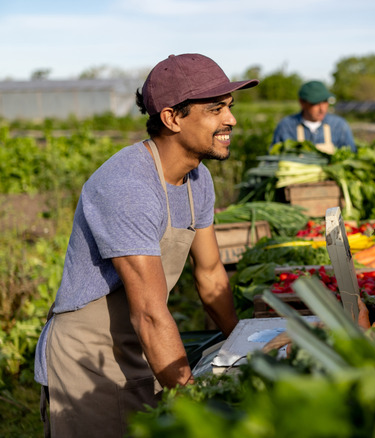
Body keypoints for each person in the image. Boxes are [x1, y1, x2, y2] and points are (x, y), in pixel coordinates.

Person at [33, 53, 258, 437]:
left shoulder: (197, 180)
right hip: (89, 358)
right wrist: (193, 401)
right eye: (215, 109)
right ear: (172, 118)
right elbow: (151, 314)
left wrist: (244, 349)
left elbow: (209, 275)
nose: (231, 120)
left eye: (230, 108)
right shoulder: (129, 186)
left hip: (140, 344)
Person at [272, 80, 356, 153]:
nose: (322, 109)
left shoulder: (339, 125)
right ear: (302, 103)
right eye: (316, 103)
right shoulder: (286, 126)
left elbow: (351, 156)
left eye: (325, 102)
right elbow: (272, 159)